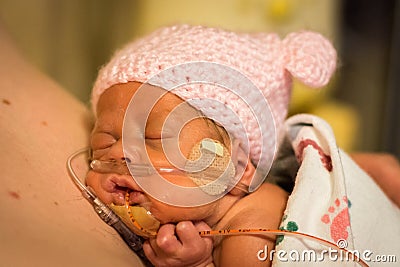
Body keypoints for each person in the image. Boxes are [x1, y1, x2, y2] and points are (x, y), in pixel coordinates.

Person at [85, 24, 339, 266]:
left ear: (237, 167)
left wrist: (200, 264)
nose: (118, 153)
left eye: (153, 138)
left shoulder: (251, 235)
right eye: (104, 141)